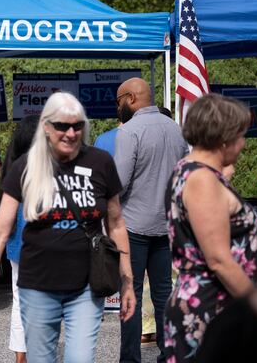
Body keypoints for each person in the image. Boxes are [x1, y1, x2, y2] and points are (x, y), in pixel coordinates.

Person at [0, 92, 136, 363]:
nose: (70, 133)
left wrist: (127, 281)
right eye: (62, 126)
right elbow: (0, 230)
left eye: (77, 126)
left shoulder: (100, 163)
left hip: (87, 286)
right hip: (37, 286)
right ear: (47, 127)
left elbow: (116, 223)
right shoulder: (26, 166)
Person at [164, 93, 257, 362]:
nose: (243, 144)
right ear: (224, 138)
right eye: (240, 135)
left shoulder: (192, 171)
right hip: (211, 309)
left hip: (215, 306)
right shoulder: (202, 180)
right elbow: (218, 259)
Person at [113, 78, 189, 363]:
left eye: (119, 100)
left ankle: (130, 359)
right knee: (164, 294)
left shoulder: (129, 131)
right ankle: (168, 354)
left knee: (130, 294)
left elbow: (119, 183)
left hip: (133, 227)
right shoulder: (176, 130)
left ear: (131, 98)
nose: (118, 106)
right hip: (167, 225)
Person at [0, 115, 39, 363]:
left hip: (17, 243)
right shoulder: (49, 166)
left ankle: (21, 356)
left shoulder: (12, 166)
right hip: (46, 245)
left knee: (19, 301)